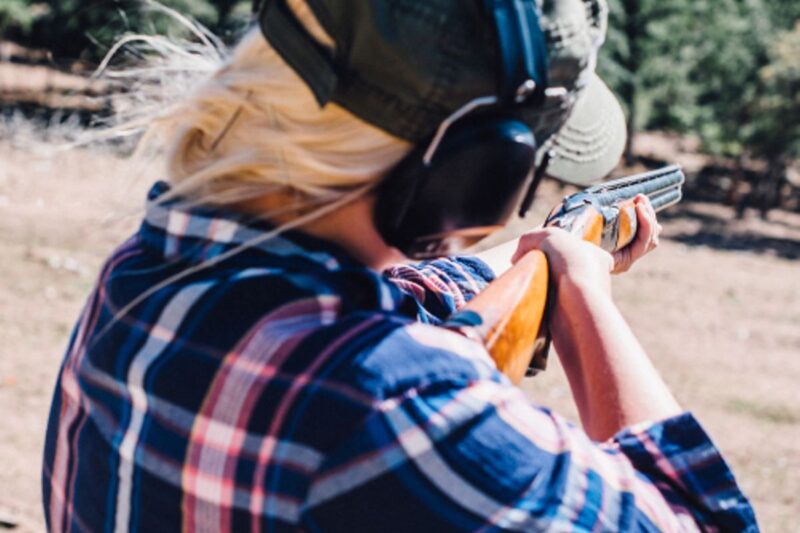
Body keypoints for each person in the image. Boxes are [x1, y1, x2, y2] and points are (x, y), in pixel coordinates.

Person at [42, 0, 758, 531]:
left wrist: (549, 253)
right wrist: (586, 300)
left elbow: (390, 306)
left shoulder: (144, 275)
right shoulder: (392, 406)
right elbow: (704, 519)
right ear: (473, 174)